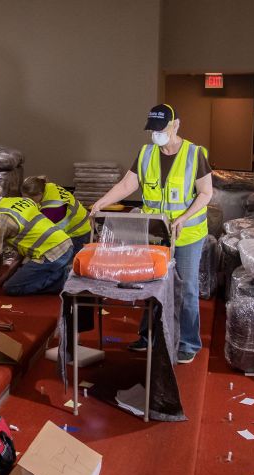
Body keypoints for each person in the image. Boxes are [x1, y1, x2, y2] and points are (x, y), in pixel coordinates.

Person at [90, 103, 212, 364]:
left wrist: (183, 217)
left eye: (161, 128)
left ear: (176, 124)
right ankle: (148, 337)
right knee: (152, 283)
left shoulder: (194, 153)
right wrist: (102, 202)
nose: (155, 134)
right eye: (152, 129)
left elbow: (206, 193)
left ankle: (189, 342)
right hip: (157, 234)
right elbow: (127, 185)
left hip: (188, 234)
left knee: (187, 287)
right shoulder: (146, 153)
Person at [0, 184, 74, 296]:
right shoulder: (21, 200)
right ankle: (61, 270)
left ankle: (66, 280)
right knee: (15, 279)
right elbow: (26, 244)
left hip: (50, 255)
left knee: (11, 288)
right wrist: (8, 274)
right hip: (66, 245)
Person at [21, 175, 92, 253]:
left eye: (30, 199)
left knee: (70, 261)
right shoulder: (48, 186)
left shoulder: (53, 208)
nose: (27, 201)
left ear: (39, 193)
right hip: (82, 221)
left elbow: (45, 233)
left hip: (78, 233)